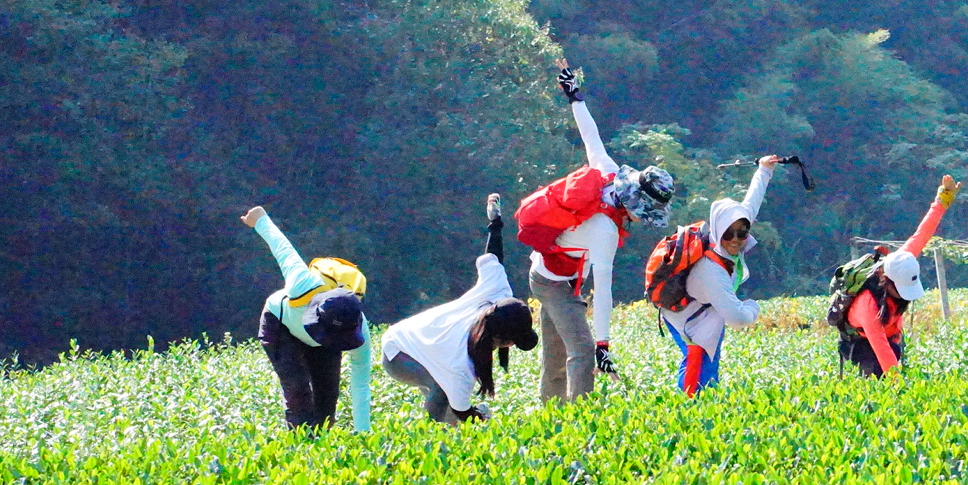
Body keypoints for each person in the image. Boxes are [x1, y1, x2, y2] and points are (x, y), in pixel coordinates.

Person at [520, 64, 674, 402]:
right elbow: (603, 290)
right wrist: (603, 346)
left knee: (557, 354)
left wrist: (575, 96)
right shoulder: (604, 229)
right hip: (553, 281)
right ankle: (578, 415)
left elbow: (591, 137)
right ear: (636, 203)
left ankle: (552, 411)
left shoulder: (608, 173)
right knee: (582, 350)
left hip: (548, 269)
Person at [379, 195, 539, 423]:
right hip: (398, 354)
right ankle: (431, 434)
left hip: (420, 338)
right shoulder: (461, 364)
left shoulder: (497, 294)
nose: (512, 345)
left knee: (451, 398)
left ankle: (445, 428)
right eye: (513, 340)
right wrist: (482, 417)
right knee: (442, 389)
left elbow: (494, 258)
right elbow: (464, 411)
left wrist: (495, 223)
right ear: (499, 337)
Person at [241, 206, 371, 431]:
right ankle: (299, 445)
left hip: (320, 330)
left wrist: (364, 434)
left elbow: (361, 385)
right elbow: (284, 250)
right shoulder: (302, 283)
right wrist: (260, 219)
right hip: (280, 323)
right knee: (297, 391)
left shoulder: (356, 328)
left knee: (326, 402)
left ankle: (318, 447)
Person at [660, 155, 782, 396]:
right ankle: (689, 409)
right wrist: (753, 306)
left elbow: (750, 205)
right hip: (687, 314)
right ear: (718, 231)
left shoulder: (727, 237)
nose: (736, 240)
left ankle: (700, 403)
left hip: (706, 309)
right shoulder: (711, 270)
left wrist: (764, 170)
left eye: (742, 232)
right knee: (700, 366)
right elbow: (738, 318)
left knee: (708, 363)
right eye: (729, 234)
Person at [838, 174, 960, 378]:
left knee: (893, 358)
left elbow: (922, 233)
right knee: (877, 376)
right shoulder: (868, 304)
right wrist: (898, 385)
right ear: (887, 281)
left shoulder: (903, 261)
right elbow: (881, 348)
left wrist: (942, 200)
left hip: (890, 336)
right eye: (900, 290)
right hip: (862, 344)